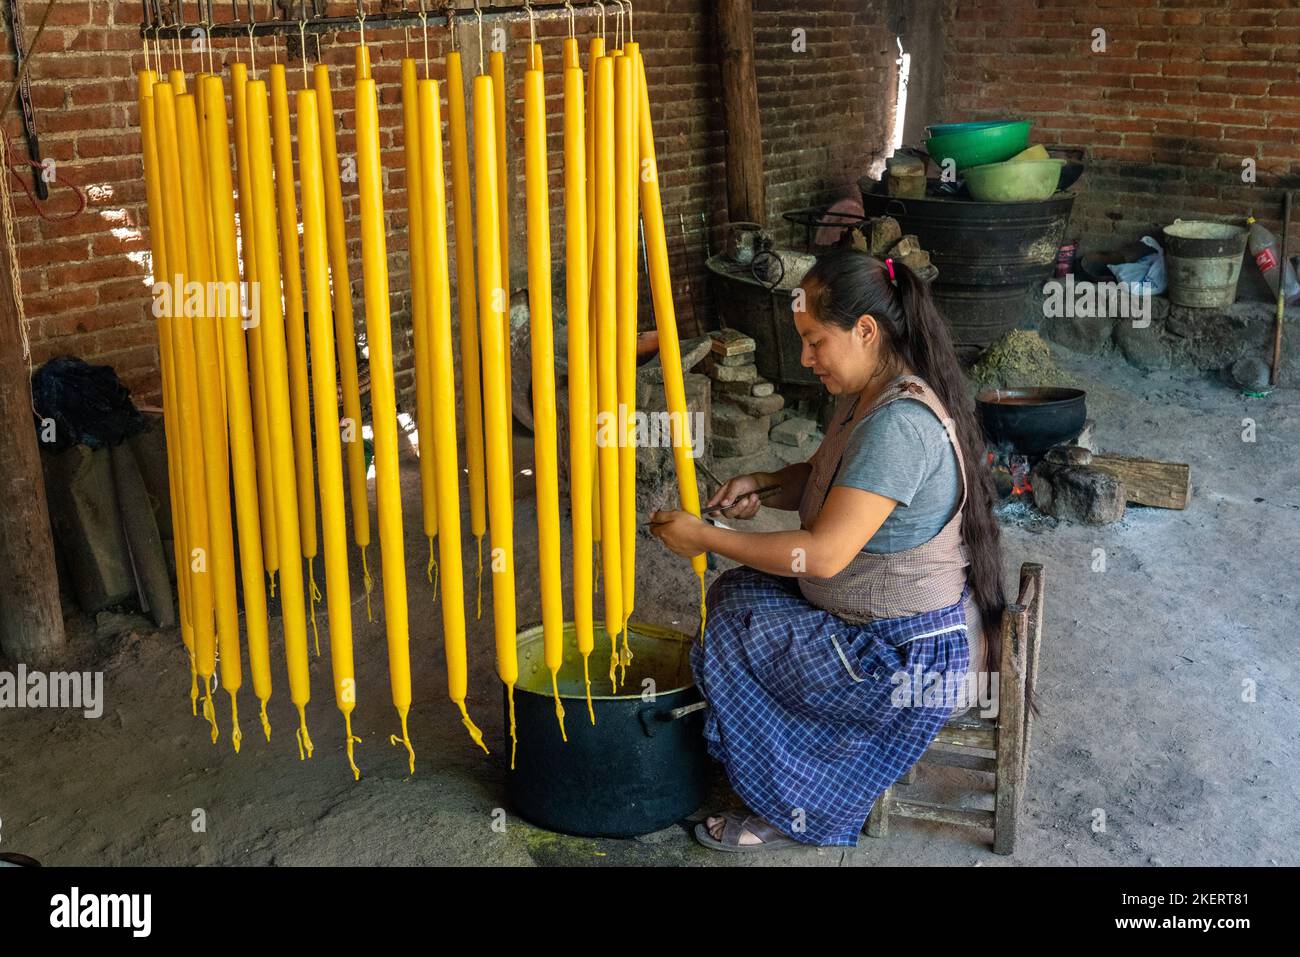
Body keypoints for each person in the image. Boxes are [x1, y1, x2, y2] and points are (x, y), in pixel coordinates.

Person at [649, 248, 1005, 851]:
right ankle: (780, 761)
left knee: (737, 630)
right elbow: (824, 477)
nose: (805, 358)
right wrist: (763, 484)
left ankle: (796, 804)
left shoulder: (900, 425)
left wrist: (707, 537)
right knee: (734, 599)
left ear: (866, 331)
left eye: (815, 341)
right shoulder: (867, 393)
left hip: (903, 662)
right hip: (879, 628)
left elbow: (822, 556)